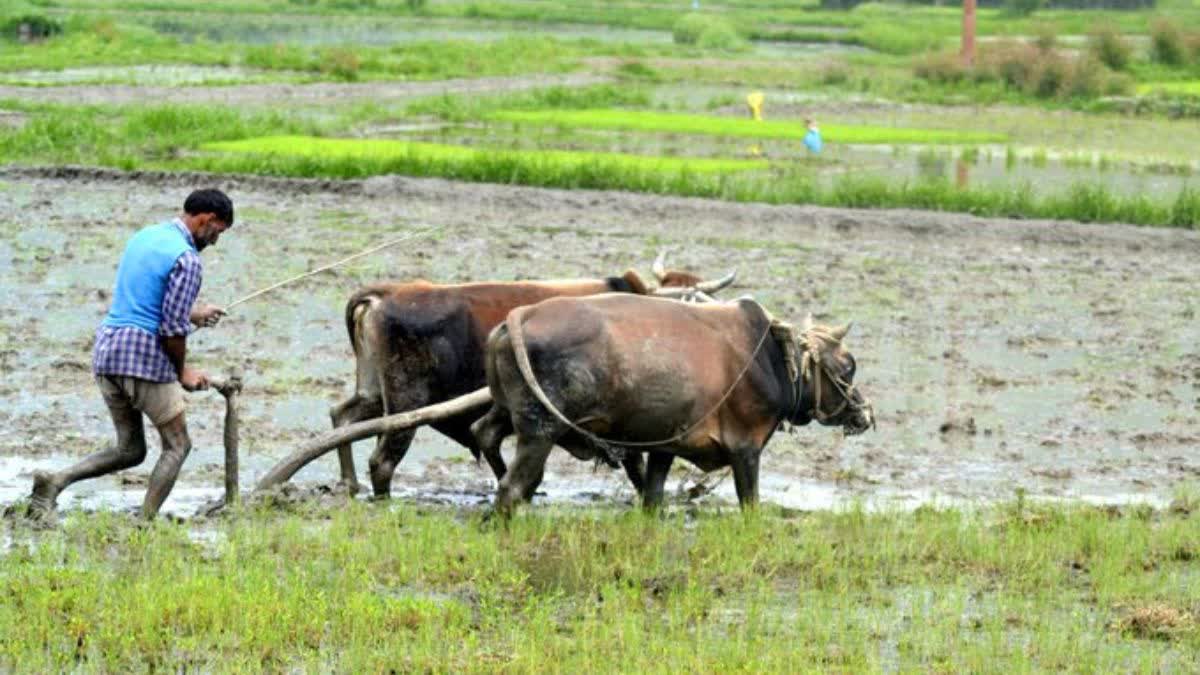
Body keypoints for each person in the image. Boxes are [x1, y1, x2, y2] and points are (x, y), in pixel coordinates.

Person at [29, 189, 234, 521]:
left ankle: (55, 481)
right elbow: (170, 330)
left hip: (108, 352)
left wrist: (195, 313)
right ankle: (144, 523)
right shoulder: (187, 259)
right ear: (207, 220)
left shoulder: (145, 237)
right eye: (218, 232)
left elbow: (145, 298)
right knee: (178, 445)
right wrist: (183, 372)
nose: (215, 241)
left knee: (131, 449)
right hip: (140, 357)